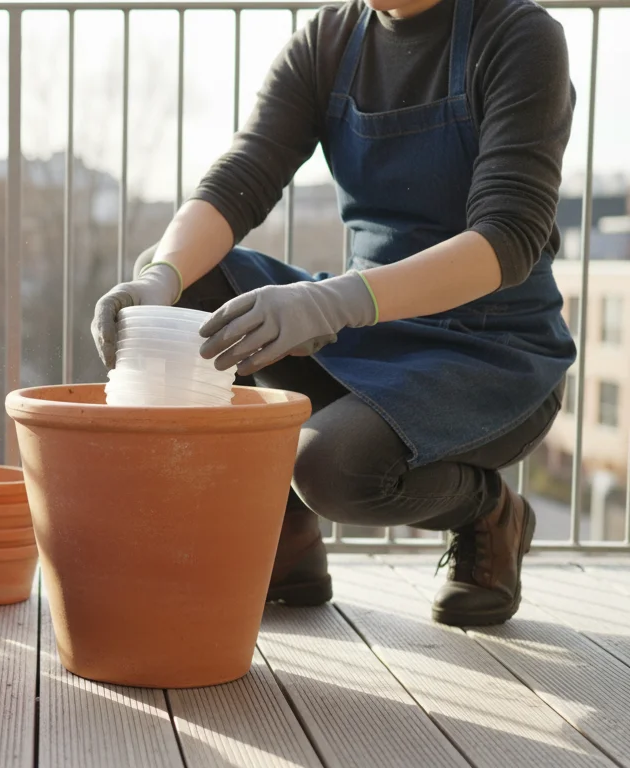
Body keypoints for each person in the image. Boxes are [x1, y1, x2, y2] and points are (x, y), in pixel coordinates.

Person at [92, 0, 575, 626]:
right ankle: (285, 539)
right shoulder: (330, 39)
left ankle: (488, 511)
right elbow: (242, 176)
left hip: (492, 351)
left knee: (334, 468)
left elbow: (508, 238)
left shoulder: (519, 35)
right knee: (192, 282)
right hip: (367, 329)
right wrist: (160, 276)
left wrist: (332, 301)